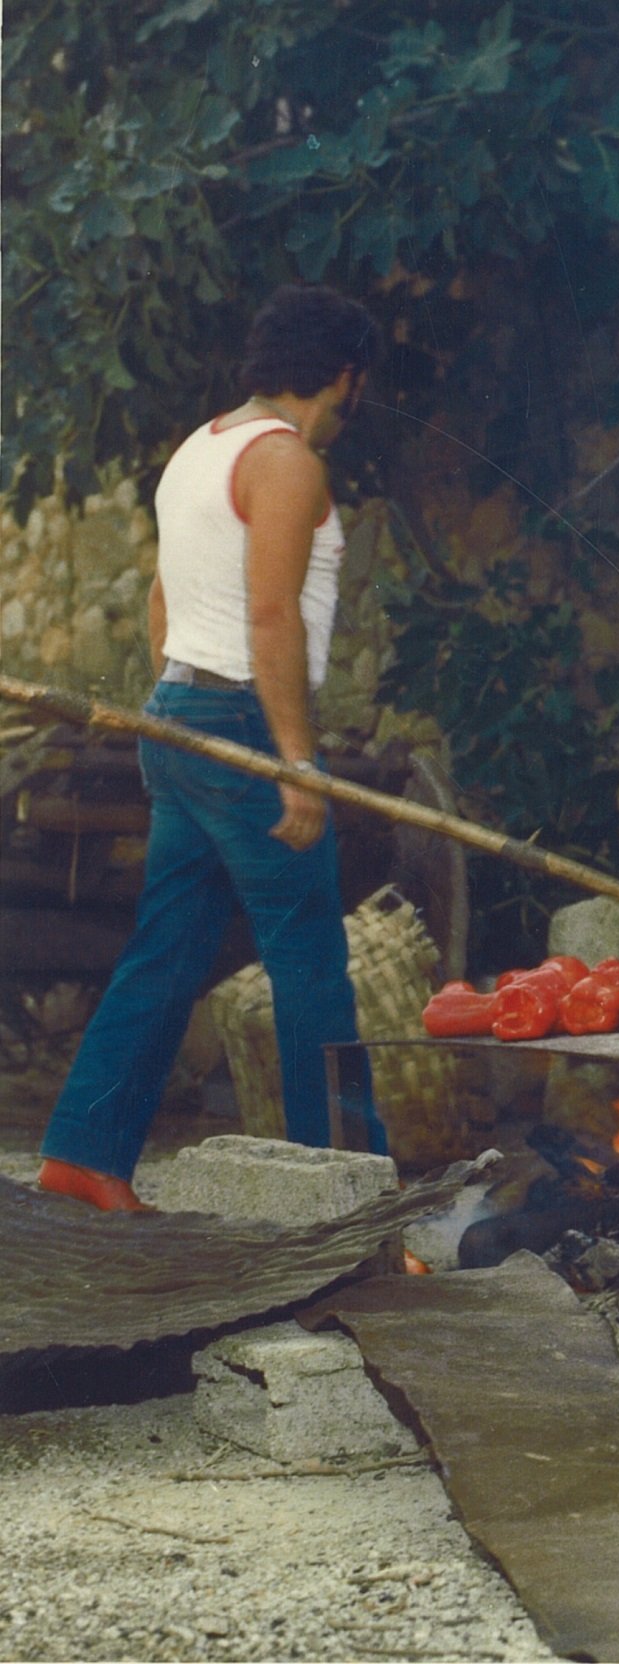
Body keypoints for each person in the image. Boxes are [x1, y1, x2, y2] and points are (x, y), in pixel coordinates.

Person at [37, 285, 390, 1211]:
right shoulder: (287, 464)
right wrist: (293, 763)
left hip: (181, 715)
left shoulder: (201, 449)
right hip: (238, 734)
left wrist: (181, 708)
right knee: (311, 960)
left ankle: (84, 1155)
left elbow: (164, 606)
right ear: (345, 375)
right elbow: (272, 617)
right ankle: (346, 1201)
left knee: (167, 949)